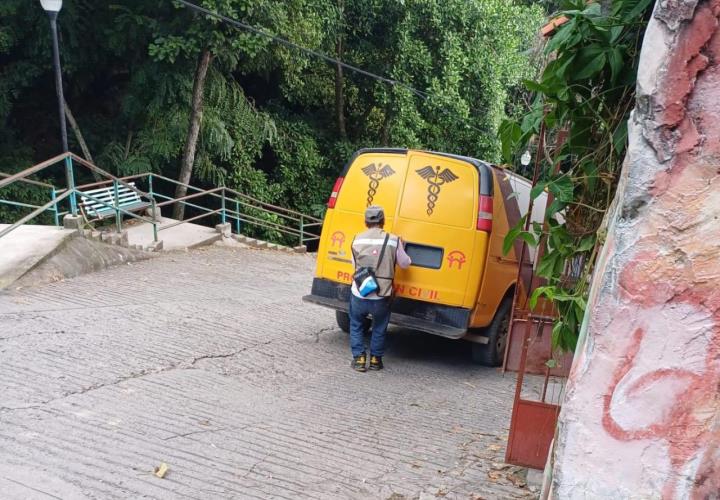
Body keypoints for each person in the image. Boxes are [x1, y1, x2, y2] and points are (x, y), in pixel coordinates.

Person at [349, 205, 411, 372]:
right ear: (383, 221)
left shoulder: (357, 239)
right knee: (379, 326)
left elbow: (354, 265)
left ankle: (360, 359)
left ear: (365, 221)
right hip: (382, 294)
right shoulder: (393, 240)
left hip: (360, 292)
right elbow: (406, 263)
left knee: (356, 325)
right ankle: (376, 360)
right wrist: (401, 247)